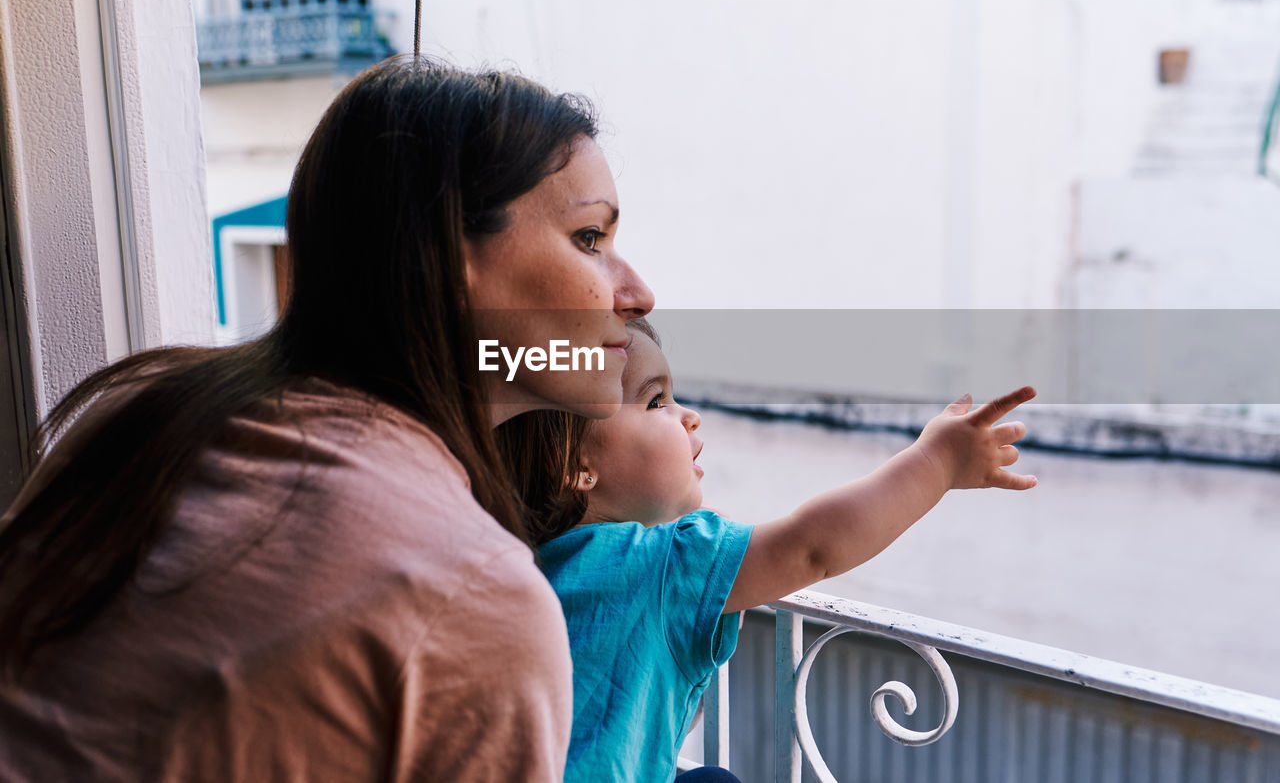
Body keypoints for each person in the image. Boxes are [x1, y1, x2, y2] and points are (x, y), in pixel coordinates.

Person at [0, 56, 653, 781]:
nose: (637, 292)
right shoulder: (470, 594)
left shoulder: (144, 413)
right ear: (447, 253)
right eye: (590, 239)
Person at [499, 319, 1036, 783]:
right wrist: (936, 465)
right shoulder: (666, 565)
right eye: (655, 401)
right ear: (575, 465)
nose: (689, 417)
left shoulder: (506, 556)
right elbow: (812, 546)